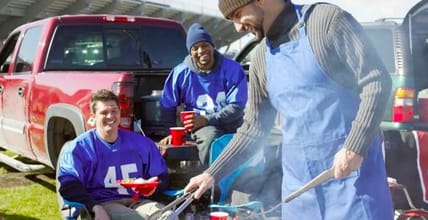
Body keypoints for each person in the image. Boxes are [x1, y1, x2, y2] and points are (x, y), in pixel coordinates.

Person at [184, 0, 394, 219]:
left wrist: (355, 147)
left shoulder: (325, 22)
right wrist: (211, 174)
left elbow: (376, 81)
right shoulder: (261, 59)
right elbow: (254, 128)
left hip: (352, 182)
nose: (237, 27)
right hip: (300, 190)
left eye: (238, 14)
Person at [57, 89, 171, 220]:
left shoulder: (142, 143)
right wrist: (94, 207)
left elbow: (162, 177)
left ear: (120, 113)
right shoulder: (79, 148)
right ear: (93, 117)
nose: (110, 116)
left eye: (114, 111)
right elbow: (68, 185)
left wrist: (152, 185)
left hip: (139, 201)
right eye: (104, 113)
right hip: (103, 203)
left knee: (169, 216)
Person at [159, 23, 248, 167]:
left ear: (212, 46)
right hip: (201, 128)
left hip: (233, 123)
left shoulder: (232, 68)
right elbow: (167, 105)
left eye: (205, 45)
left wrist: (206, 119)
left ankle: (247, 182)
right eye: (195, 48)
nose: (201, 51)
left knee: (256, 138)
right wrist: (170, 132)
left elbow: (237, 106)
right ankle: (208, 183)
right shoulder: (181, 72)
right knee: (211, 138)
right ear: (190, 52)